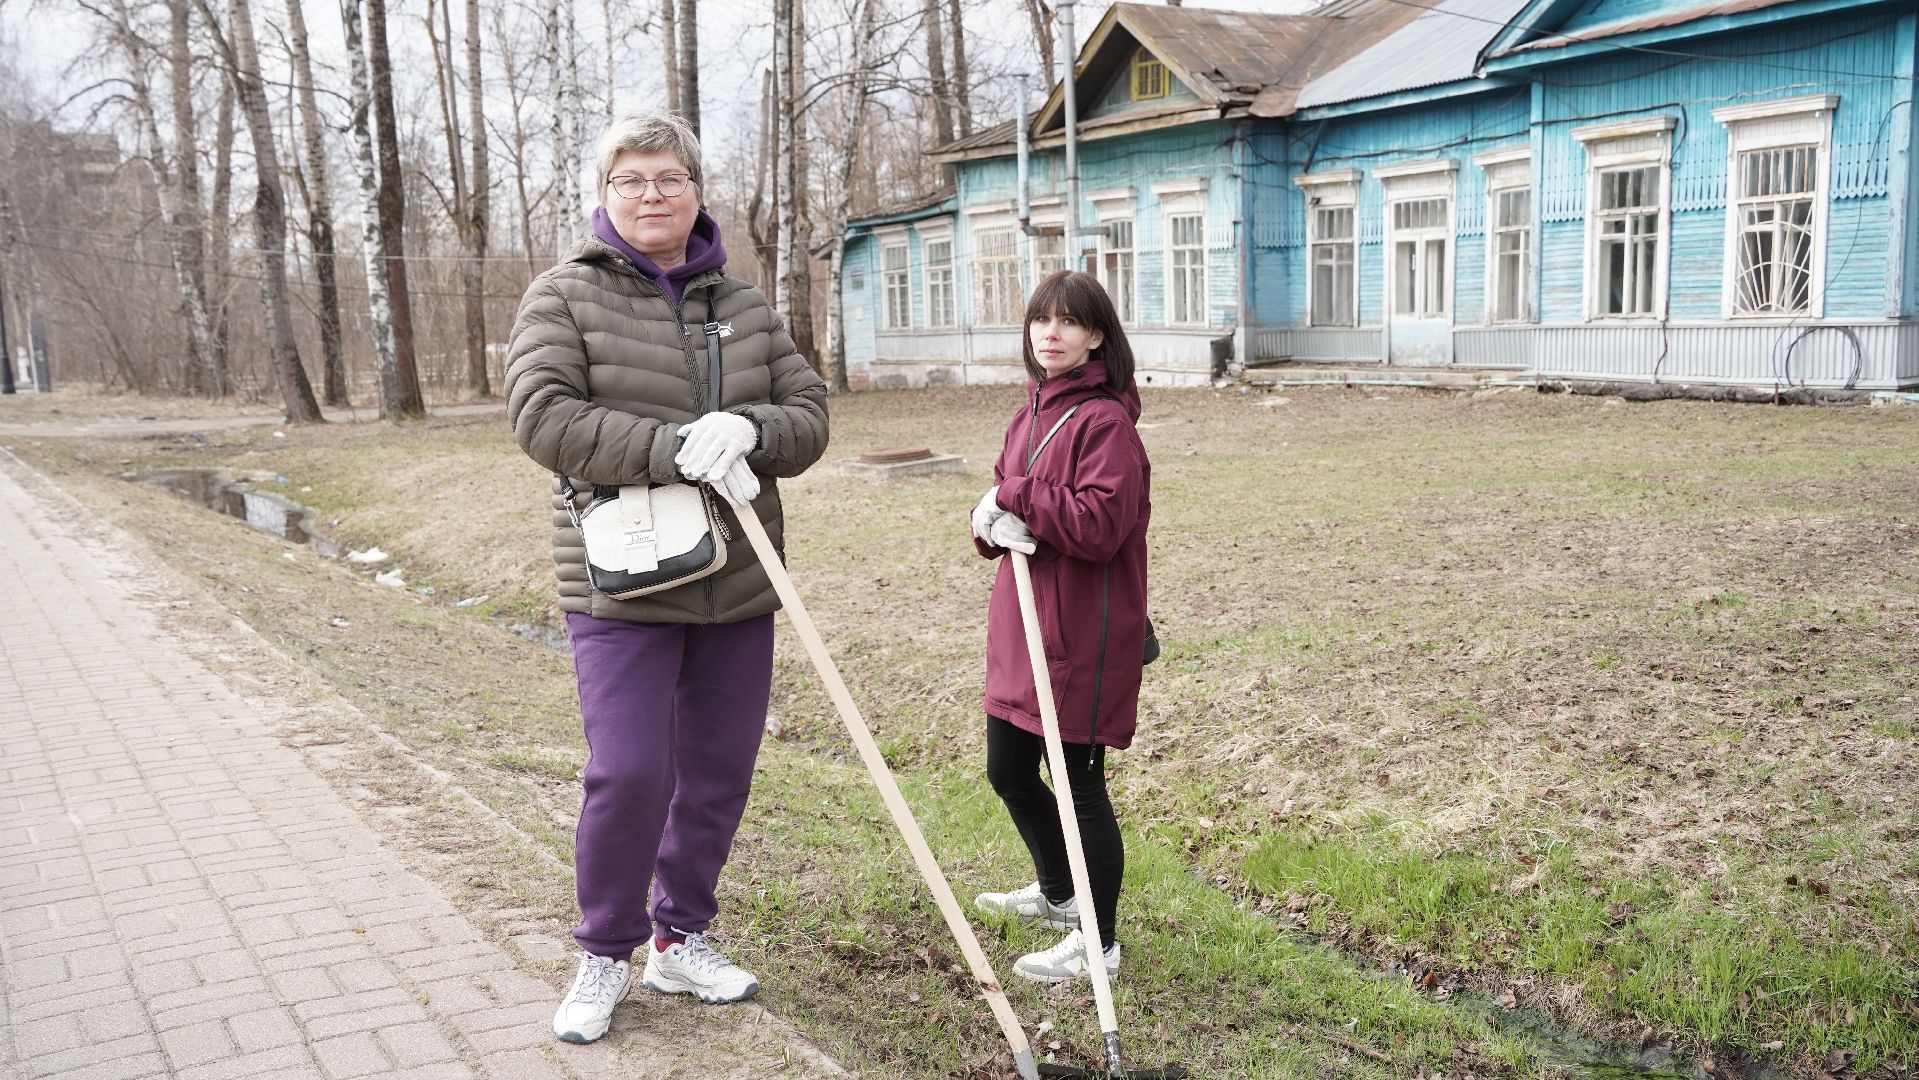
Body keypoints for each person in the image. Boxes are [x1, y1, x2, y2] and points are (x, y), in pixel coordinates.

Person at [504, 112, 828, 1044]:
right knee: (630, 771)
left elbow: (809, 413)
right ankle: (603, 952)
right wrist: (673, 449)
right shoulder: (562, 297)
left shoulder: (745, 304)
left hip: (737, 579)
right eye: (632, 180)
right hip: (621, 582)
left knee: (719, 772)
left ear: (695, 191)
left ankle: (680, 936)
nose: (653, 195)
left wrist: (755, 431)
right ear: (604, 196)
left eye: (669, 178)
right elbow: (542, 418)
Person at [968, 270, 1151, 983]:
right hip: (1021, 624)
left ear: (1096, 335)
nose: (1051, 333)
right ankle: (1058, 895)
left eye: (1069, 322)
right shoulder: (1029, 414)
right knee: (1008, 770)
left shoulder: (1105, 422)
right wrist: (989, 523)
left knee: (1079, 789)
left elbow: (1100, 526)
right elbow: (1013, 517)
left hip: (1080, 632)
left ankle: (1098, 942)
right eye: (1041, 320)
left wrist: (1011, 494)